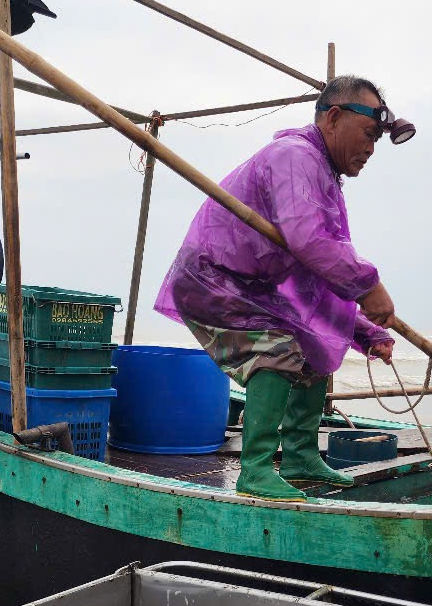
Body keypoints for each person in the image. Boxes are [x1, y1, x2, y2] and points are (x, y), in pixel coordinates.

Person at [154, 74, 408, 502]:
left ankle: (299, 455)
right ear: (333, 117)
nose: (370, 149)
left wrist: (366, 332)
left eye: (377, 141)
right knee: (277, 349)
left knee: (313, 344)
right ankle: (254, 469)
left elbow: (318, 283)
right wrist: (369, 286)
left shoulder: (323, 175)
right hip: (210, 278)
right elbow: (312, 242)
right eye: (367, 134)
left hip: (249, 288)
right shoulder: (295, 157)